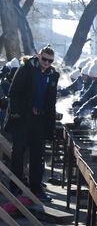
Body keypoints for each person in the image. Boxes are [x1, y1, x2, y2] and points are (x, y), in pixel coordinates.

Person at [4, 45, 60, 201]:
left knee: (38, 155)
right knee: (18, 154)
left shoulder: (53, 75)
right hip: (22, 118)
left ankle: (36, 188)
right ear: (38, 56)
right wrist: (18, 112)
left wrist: (50, 121)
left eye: (50, 61)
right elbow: (13, 93)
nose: (47, 63)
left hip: (40, 120)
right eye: (44, 59)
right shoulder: (26, 69)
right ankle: (15, 187)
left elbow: (51, 100)